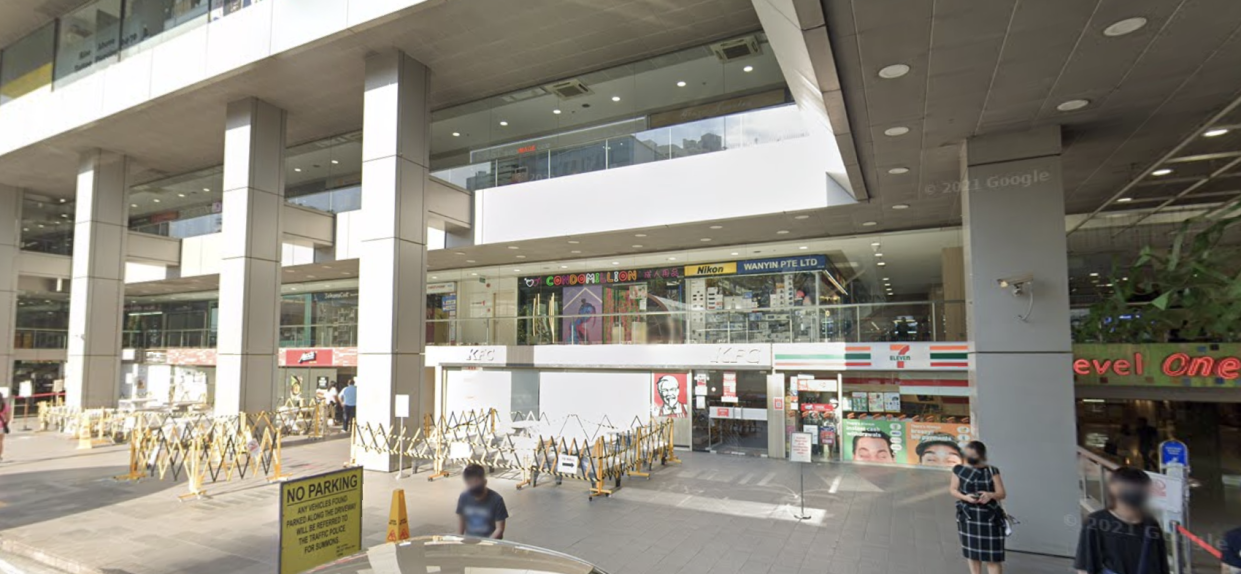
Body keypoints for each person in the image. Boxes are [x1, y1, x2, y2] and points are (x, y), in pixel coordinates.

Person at [1074, 466, 1169, 574]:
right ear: (1115, 489)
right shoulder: (1096, 522)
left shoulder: (1151, 524)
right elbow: (1084, 566)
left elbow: (1161, 564)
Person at [950, 440, 1007, 574]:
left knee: (993, 558)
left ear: (981, 455)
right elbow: (953, 490)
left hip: (990, 518)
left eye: (973, 455)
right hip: (969, 516)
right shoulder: (958, 469)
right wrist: (966, 497)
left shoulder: (992, 471)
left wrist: (990, 495)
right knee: (972, 555)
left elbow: (1002, 494)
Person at [457, 464, 508, 539]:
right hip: (470, 543)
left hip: (491, 544)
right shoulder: (464, 497)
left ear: (485, 482)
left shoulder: (497, 500)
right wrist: (459, 540)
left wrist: (485, 544)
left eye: (476, 482)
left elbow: (499, 529)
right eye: (470, 483)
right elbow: (462, 523)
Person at [0, 394, 10, 462]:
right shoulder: (5, 406)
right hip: (1, 425)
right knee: (0, 442)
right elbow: (8, 418)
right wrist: (6, 424)